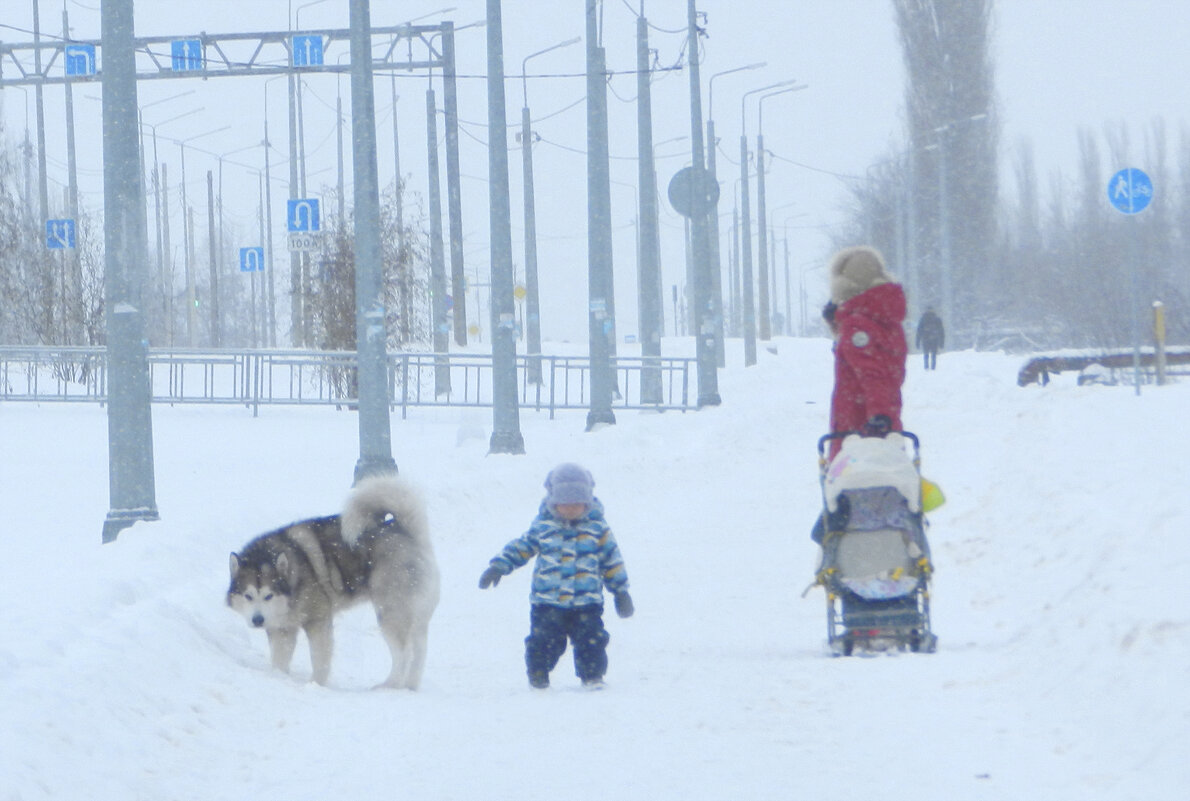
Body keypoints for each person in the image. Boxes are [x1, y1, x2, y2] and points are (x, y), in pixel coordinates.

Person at [478, 463, 634, 690]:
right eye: (564, 503)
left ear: (587, 502)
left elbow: (611, 560)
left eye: (577, 503)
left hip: (587, 601)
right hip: (547, 602)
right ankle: (538, 672)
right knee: (544, 641)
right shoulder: (543, 527)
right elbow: (523, 547)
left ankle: (592, 676)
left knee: (592, 640)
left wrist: (620, 591)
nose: (570, 508)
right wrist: (500, 566)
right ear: (553, 502)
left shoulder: (597, 529)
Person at [824, 245, 908, 459]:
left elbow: (872, 374)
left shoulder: (856, 326)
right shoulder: (887, 321)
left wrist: (880, 416)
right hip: (885, 429)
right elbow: (882, 367)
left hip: (859, 433)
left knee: (854, 488)